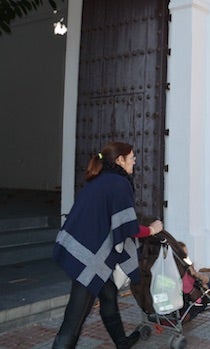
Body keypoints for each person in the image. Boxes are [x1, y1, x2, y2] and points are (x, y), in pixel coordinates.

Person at [52, 142, 164, 349]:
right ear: (119, 160)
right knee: (74, 320)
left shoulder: (101, 180)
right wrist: (153, 230)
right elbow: (127, 228)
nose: (134, 161)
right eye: (131, 157)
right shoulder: (119, 183)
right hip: (89, 259)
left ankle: (121, 342)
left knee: (108, 293)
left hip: (79, 249)